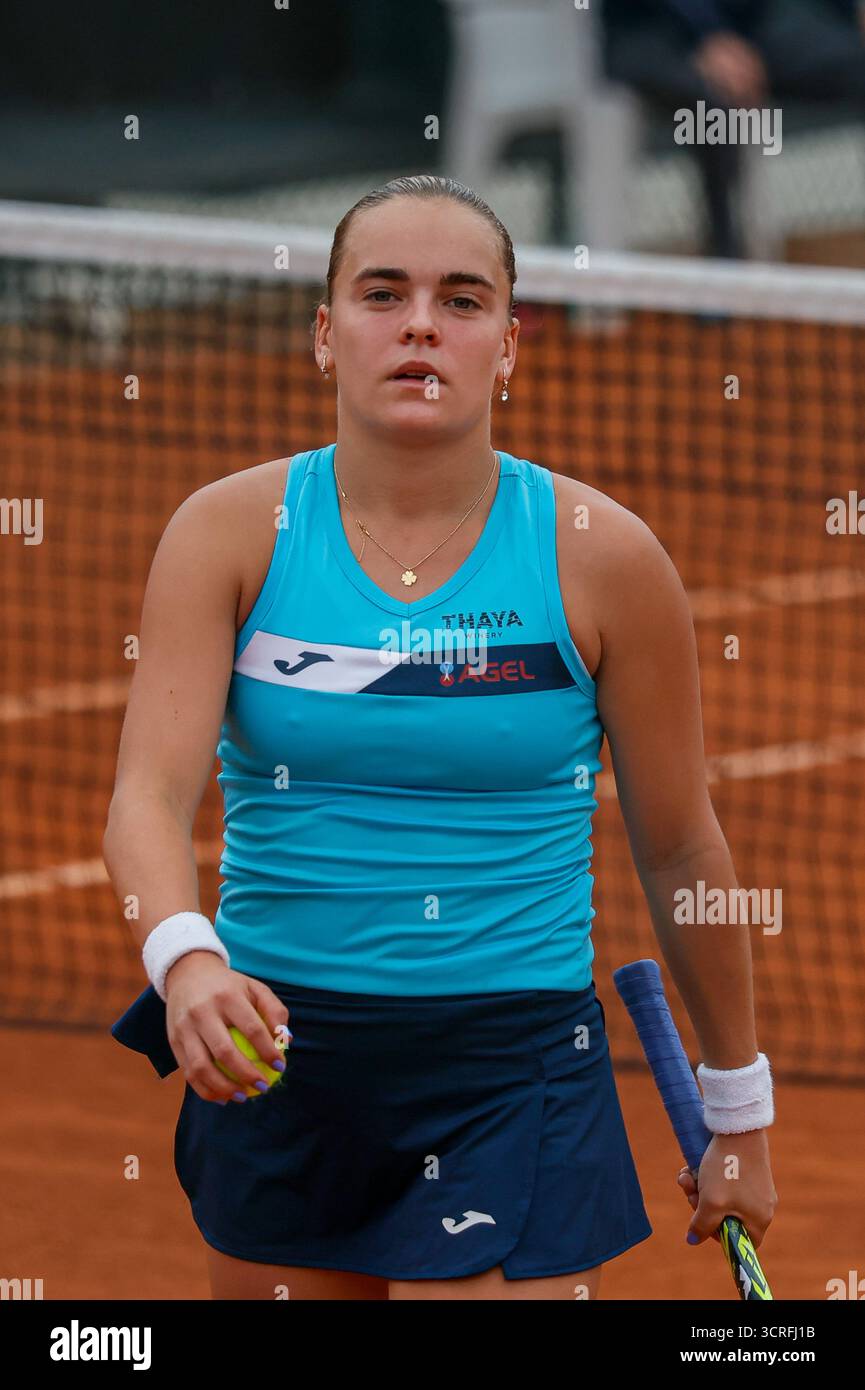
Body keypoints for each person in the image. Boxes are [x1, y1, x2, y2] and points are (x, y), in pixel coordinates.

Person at [104, 173, 777, 1301]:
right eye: (382, 294)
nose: (420, 324)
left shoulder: (603, 556)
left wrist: (739, 1109)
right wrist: (187, 960)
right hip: (275, 1054)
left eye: (462, 301)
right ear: (325, 334)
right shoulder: (225, 534)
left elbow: (679, 849)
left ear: (508, 347)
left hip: (509, 1068)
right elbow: (147, 798)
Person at [600, 0, 865, 258]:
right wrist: (708, 35)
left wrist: (851, 11)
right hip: (650, 30)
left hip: (746, 29)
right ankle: (727, 261)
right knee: (714, 107)